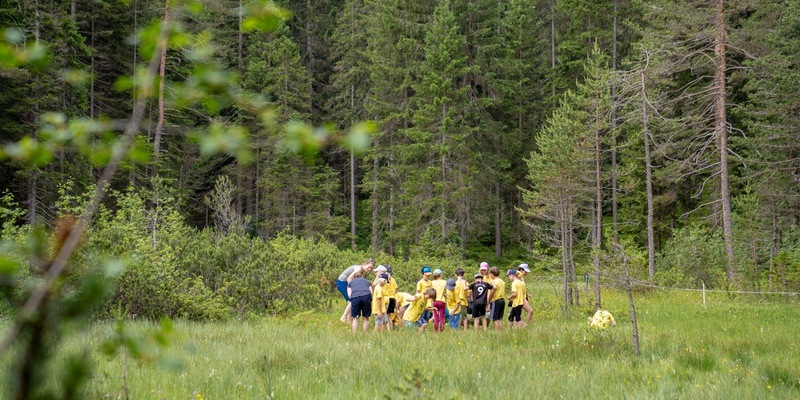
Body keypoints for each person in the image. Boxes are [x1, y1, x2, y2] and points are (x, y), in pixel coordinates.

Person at [337, 258, 375, 323]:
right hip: (342, 282)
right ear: (365, 264)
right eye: (368, 267)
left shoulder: (361, 271)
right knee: (352, 301)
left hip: (344, 283)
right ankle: (343, 317)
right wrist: (352, 289)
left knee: (350, 302)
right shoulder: (358, 269)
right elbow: (349, 279)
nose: (369, 269)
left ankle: (349, 322)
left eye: (370, 269)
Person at [347, 269, 373, 333]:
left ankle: (354, 334)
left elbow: (349, 294)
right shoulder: (367, 281)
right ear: (362, 277)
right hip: (366, 296)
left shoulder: (351, 283)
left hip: (355, 297)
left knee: (355, 318)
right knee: (365, 318)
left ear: (354, 278)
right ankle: (365, 334)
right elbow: (371, 292)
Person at [383, 266, 398, 330]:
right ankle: (390, 329)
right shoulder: (393, 279)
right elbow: (396, 290)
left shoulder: (384, 279)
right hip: (393, 298)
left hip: (387, 298)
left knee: (385, 315)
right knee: (389, 315)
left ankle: (387, 329)